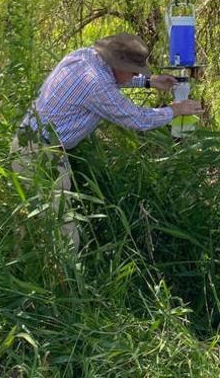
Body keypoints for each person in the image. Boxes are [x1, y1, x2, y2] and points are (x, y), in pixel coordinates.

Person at [15, 33, 203, 248]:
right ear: (117, 64)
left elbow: (112, 79)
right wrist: (175, 110)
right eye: (133, 72)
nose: (134, 75)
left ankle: (24, 269)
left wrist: (150, 82)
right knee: (63, 233)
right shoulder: (96, 84)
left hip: (27, 142)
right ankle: (64, 279)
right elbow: (137, 119)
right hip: (40, 154)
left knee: (29, 222)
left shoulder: (84, 57)